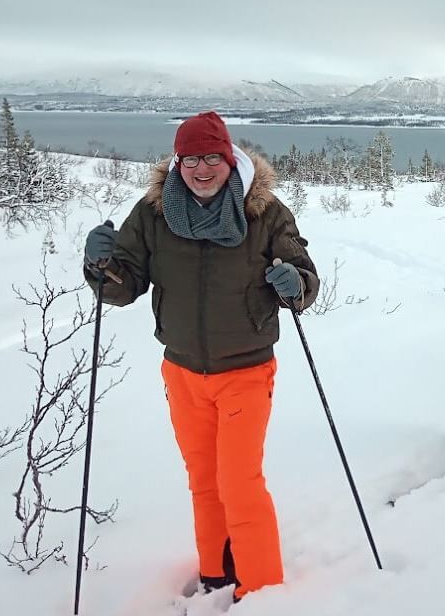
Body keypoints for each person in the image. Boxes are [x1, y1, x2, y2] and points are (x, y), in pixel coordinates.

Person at [82, 111, 320, 602]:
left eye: (212, 157)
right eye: (190, 159)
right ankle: (215, 571)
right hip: (183, 369)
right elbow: (123, 286)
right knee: (204, 480)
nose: (201, 168)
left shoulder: (265, 212)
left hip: (246, 369)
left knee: (240, 481)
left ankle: (260, 589)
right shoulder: (153, 213)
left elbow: (304, 277)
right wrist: (101, 265)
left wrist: (295, 285)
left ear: (230, 159)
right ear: (177, 162)